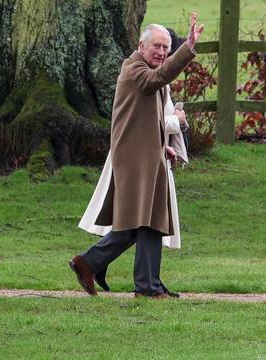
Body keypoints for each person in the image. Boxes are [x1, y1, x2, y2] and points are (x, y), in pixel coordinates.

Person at [70, 15, 204, 299]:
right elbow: (158, 78)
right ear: (141, 46)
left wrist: (162, 146)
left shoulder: (143, 71)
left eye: (167, 48)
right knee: (142, 222)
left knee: (147, 222)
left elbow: (146, 120)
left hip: (145, 155)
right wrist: (188, 48)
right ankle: (128, 278)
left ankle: (137, 280)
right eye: (157, 46)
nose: (162, 52)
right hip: (134, 160)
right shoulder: (135, 70)